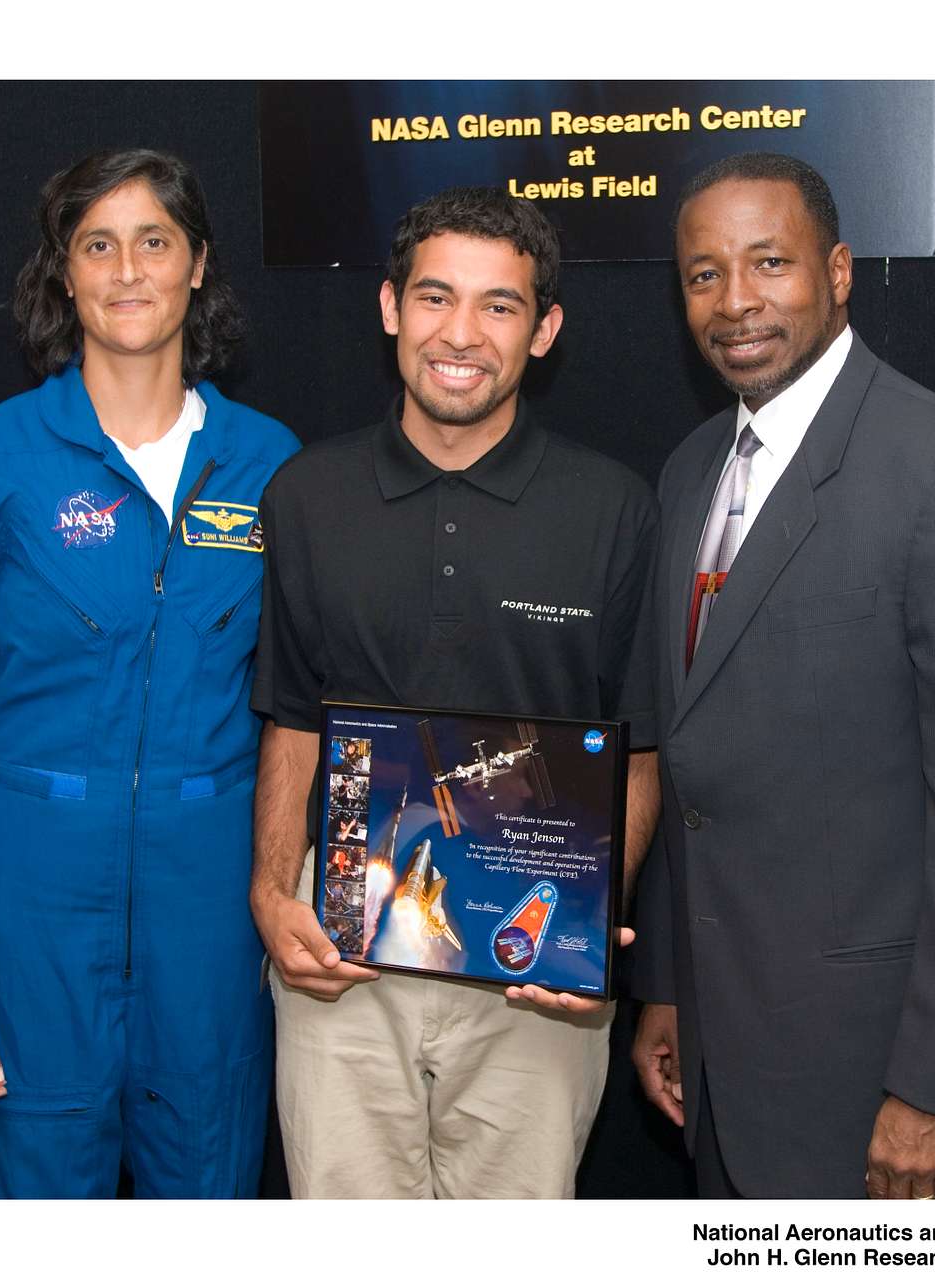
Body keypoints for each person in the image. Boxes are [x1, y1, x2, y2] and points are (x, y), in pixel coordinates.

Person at [630, 153, 935, 1199]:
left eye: (767, 262)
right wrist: (664, 984)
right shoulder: (690, 470)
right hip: (726, 1077)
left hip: (892, 1094)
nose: (735, 301)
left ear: (836, 271)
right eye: (703, 273)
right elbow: (690, 754)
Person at [0, 149, 299, 1197]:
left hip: (210, 923)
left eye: (154, 240)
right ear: (63, 274)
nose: (127, 270)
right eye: (96, 245)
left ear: (198, 264)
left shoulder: (272, 464)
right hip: (28, 919)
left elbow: (303, 705)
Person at [250, 187, 662, 1199]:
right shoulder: (306, 494)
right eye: (435, 297)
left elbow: (642, 746)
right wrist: (270, 891)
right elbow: (293, 719)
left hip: (529, 963)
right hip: (343, 944)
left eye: (500, 305)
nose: (460, 334)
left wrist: (585, 927)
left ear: (545, 328)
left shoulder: (612, 506)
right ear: (390, 306)